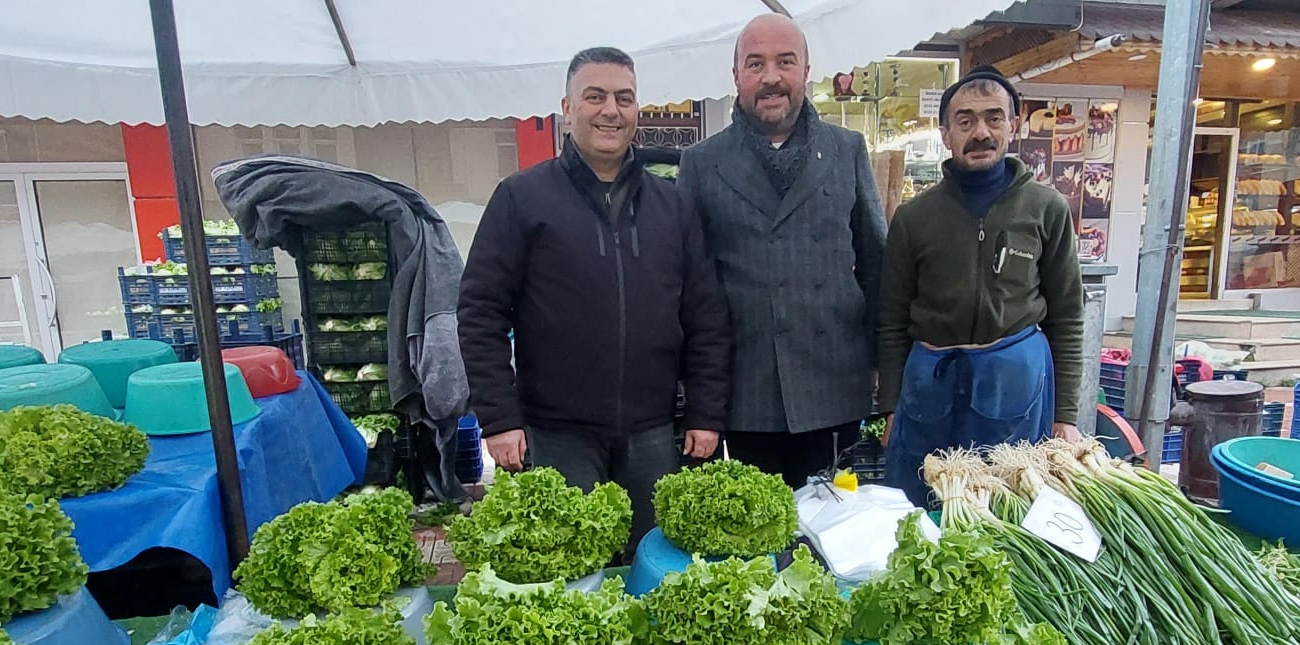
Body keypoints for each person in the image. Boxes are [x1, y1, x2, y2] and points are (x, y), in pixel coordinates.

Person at [457, 47, 731, 556]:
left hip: (653, 433)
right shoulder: (522, 198)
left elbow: (706, 317)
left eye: (624, 98)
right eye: (595, 96)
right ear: (568, 107)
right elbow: (480, 313)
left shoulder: (673, 205)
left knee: (653, 563)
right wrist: (498, 418)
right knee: (571, 570)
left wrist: (705, 413)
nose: (611, 109)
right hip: (558, 435)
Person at [679, 13, 886, 490]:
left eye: (784, 62)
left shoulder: (847, 149)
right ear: (736, 77)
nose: (771, 77)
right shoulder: (701, 163)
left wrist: (886, 381)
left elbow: (877, 267)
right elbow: (688, 285)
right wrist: (695, 392)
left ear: (806, 70)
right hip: (747, 392)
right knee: (760, 538)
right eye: (755, 64)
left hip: (834, 384)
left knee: (832, 532)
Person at [876, 65, 1085, 507]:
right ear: (945, 133)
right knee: (919, 505)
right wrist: (891, 406)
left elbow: (1067, 316)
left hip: (1015, 383)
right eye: (965, 120)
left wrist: (1065, 415)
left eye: (993, 118)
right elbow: (891, 320)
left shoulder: (1047, 209)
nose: (980, 132)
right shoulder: (915, 218)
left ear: (1013, 124)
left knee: (1008, 509)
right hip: (929, 385)